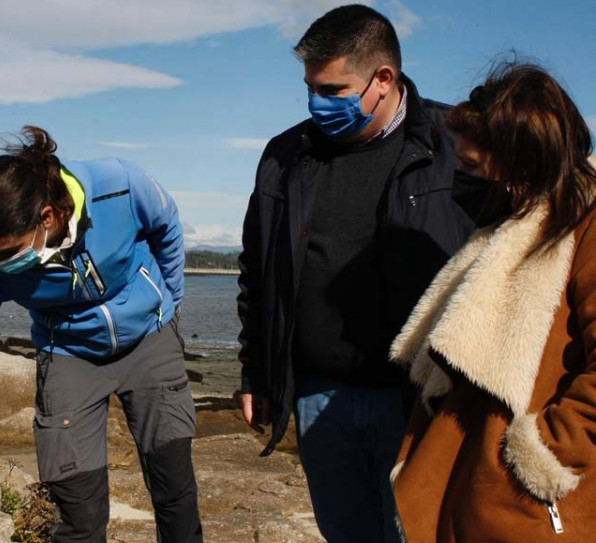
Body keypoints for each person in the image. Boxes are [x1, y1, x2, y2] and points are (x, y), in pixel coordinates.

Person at [0, 126, 203, 542]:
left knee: (175, 492)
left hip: (151, 341)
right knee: (77, 513)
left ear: (47, 217)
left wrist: (169, 307)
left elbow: (166, 227)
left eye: (7, 251)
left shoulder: (119, 184)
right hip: (68, 355)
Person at [236, 5, 476, 542]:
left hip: (421, 399)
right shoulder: (284, 156)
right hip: (320, 394)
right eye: (311, 88)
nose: (318, 103)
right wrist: (257, 374)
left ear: (383, 78)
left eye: (334, 89)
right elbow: (258, 272)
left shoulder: (457, 145)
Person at [389, 62, 596, 542]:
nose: (460, 180)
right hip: (471, 487)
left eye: (471, 168)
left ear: (521, 164)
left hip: (527, 505)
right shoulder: (511, 226)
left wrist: (543, 452)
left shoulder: (582, 225)